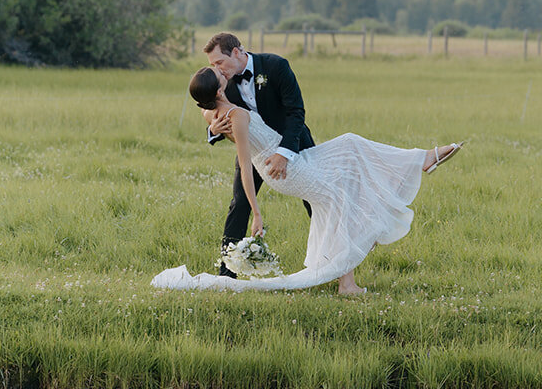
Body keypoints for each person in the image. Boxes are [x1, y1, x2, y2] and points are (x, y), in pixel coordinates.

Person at [152, 62, 462, 293]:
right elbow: (244, 166)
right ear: (219, 89)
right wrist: (257, 213)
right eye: (218, 73)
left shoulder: (215, 113)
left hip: (292, 156)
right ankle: (347, 275)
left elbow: (208, 112)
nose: (222, 71)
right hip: (283, 168)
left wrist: (211, 123)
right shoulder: (237, 115)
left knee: (351, 146)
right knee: (340, 196)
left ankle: (420, 160)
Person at [203, 33, 314, 277]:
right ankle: (227, 272)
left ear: (236, 52)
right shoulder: (223, 83)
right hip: (253, 151)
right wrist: (213, 130)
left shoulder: (275, 66)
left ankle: (329, 259)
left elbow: (296, 112)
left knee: (315, 200)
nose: (217, 70)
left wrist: (283, 153)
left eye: (219, 62)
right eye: (212, 66)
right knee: (239, 203)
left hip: (293, 143)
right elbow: (211, 110)